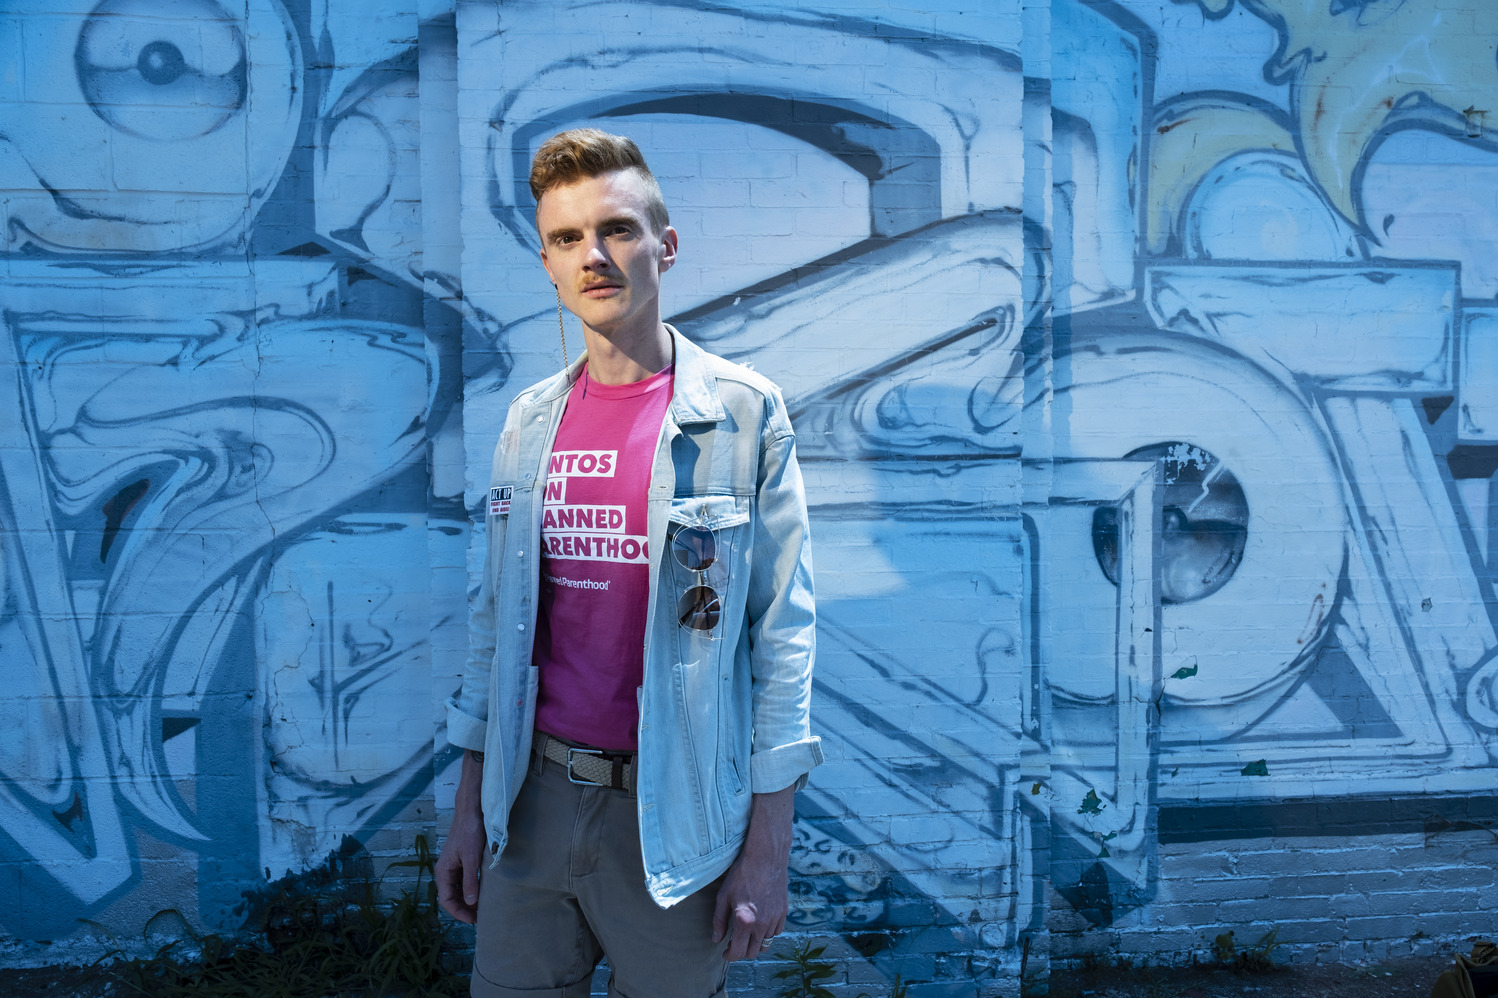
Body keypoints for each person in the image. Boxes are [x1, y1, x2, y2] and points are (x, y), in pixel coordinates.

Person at [436, 128, 822, 997]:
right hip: (526, 812)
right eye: (567, 238)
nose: (594, 255)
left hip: (675, 825)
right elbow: (496, 632)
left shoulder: (741, 415)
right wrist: (468, 814)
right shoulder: (529, 424)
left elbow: (783, 643)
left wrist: (767, 852)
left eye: (616, 229)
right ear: (546, 263)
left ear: (665, 246)